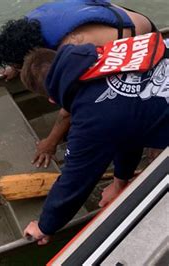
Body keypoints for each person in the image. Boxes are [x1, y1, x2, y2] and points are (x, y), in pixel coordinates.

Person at [0, 0, 158, 206]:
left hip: (138, 39)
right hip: (112, 17)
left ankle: (154, 147)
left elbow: (71, 107)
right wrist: (15, 68)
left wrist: (49, 144)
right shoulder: (29, 26)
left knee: (120, 106)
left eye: (19, 64)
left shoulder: (75, 47)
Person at [19, 40, 169, 245]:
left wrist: (45, 225)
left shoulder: (91, 118)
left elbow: (75, 180)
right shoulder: (112, 52)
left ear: (53, 100)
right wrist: (120, 182)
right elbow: (129, 127)